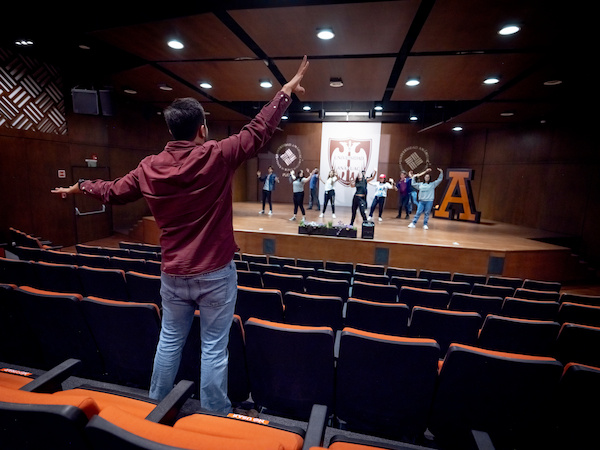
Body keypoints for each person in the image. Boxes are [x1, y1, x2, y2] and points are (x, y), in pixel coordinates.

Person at [51, 56, 310, 413]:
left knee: (169, 342)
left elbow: (111, 191)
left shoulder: (149, 167)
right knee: (214, 348)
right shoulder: (216, 155)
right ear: (202, 129)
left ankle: (155, 407)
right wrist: (284, 93)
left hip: (173, 273)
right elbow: (257, 130)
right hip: (215, 273)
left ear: (172, 131)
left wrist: (81, 184)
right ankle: (216, 413)